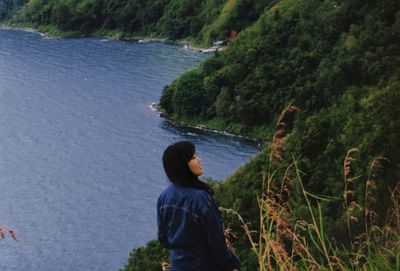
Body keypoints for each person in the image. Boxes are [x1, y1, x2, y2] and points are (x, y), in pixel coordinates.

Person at [157, 141, 241, 271]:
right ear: (183, 165)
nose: (199, 159)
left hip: (178, 266)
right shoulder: (200, 198)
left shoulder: (164, 197)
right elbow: (217, 242)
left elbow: (164, 239)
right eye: (193, 157)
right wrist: (232, 263)